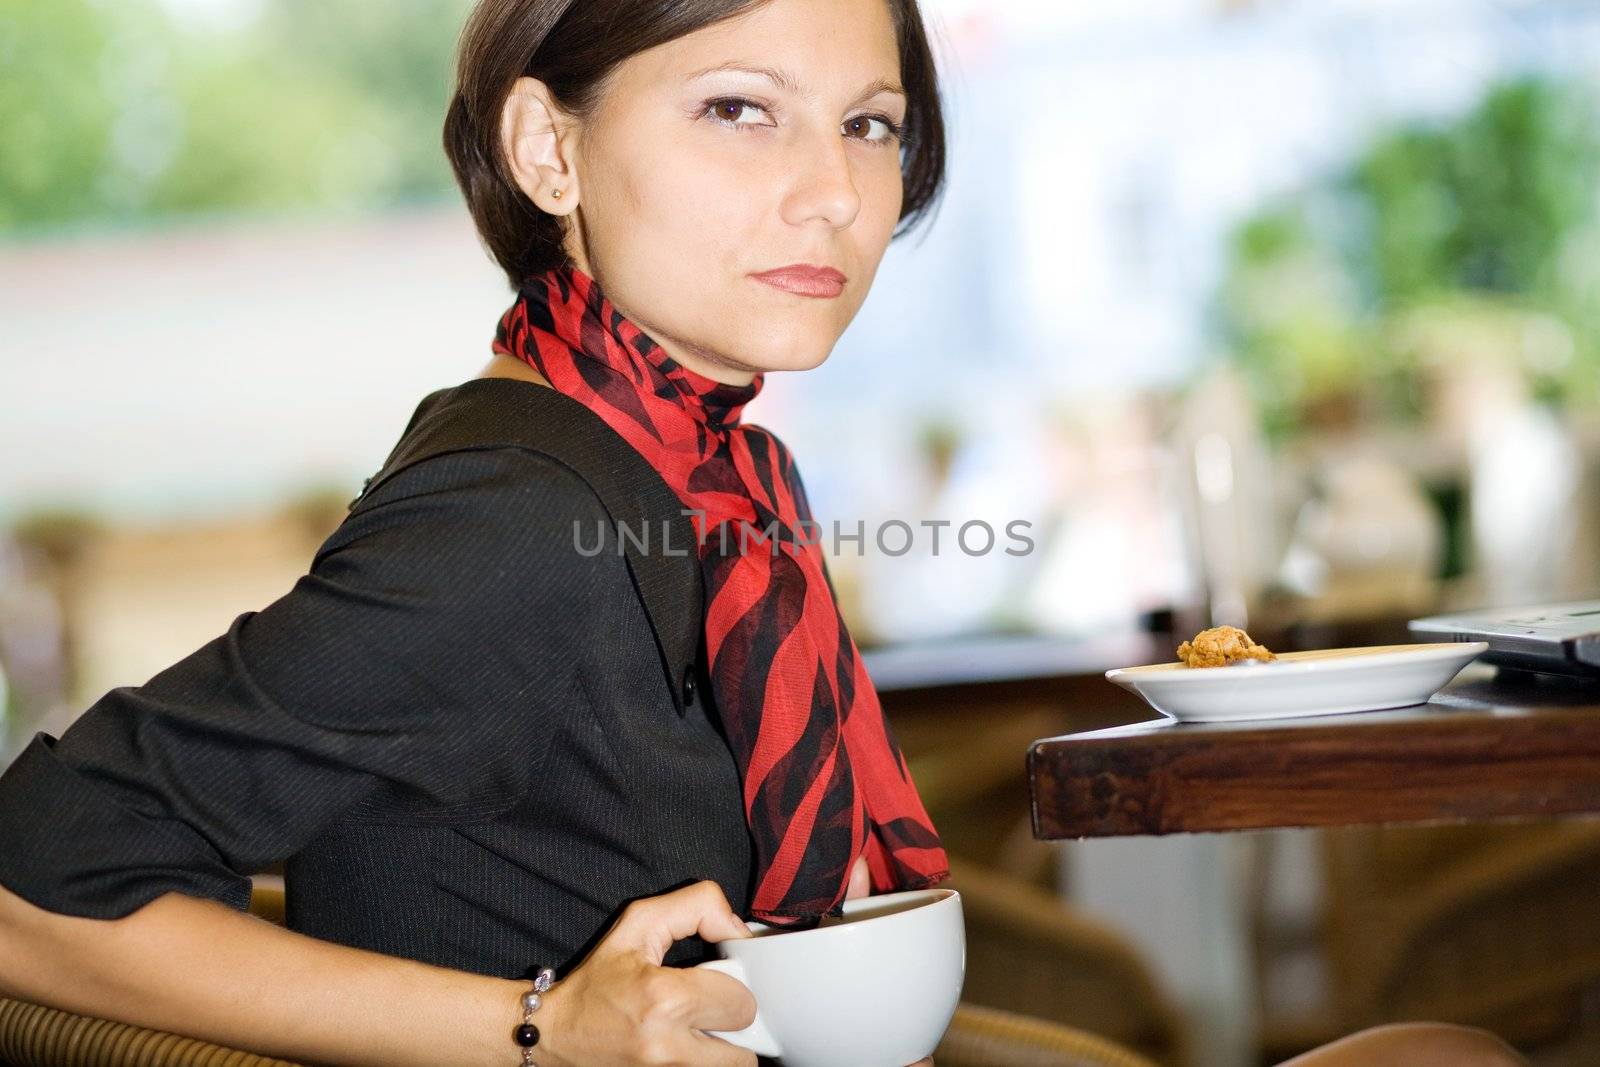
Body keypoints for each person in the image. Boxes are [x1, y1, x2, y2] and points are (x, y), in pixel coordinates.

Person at [0, 1, 1531, 1065]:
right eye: (739, 109)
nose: (831, 195)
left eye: (870, 124)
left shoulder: (705, 473)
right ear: (547, 151)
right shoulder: (519, 511)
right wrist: (537, 1034)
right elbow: (29, 893)